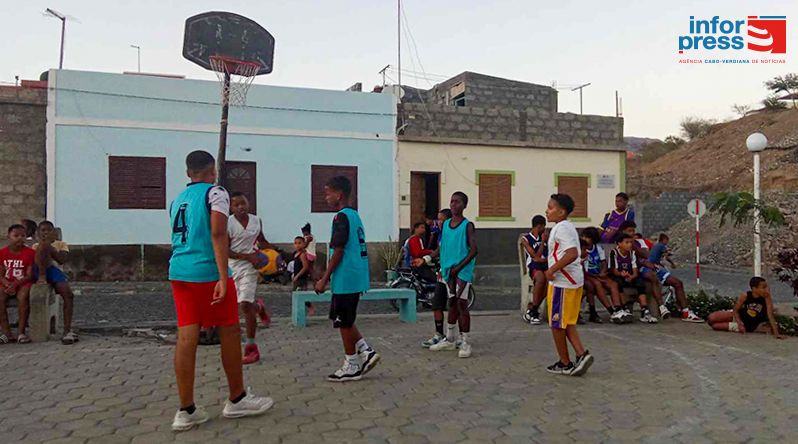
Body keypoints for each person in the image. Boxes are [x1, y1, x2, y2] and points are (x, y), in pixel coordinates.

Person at [168, 150, 273, 431]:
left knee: (186, 336)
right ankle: (237, 398)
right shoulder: (216, 193)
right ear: (212, 171)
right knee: (228, 329)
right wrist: (223, 277)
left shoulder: (177, 199)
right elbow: (217, 233)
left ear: (188, 172)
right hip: (207, 271)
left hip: (179, 270)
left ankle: (185, 409)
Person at [314, 176, 380, 381]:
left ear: (339, 194)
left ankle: (351, 364)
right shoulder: (355, 216)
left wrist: (324, 278)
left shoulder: (340, 217)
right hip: (356, 274)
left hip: (346, 276)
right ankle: (366, 351)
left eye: (328, 193)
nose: (326, 197)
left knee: (343, 321)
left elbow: (339, 250)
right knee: (344, 319)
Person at [416, 192, 478, 358]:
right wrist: (427, 258)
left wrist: (459, 267)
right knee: (451, 303)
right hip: (447, 270)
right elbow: (442, 247)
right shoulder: (446, 225)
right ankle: (450, 338)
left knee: (462, 304)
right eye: (451, 201)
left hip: (461, 271)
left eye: (457, 202)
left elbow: (473, 250)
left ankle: (465, 341)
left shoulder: (467, 225)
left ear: (464, 205)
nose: (453, 204)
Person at [542, 194, 593, 376]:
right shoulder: (566, 227)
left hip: (563, 283)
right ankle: (581, 354)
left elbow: (571, 253)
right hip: (572, 281)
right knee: (567, 322)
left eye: (550, 207)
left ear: (561, 211)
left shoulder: (562, 228)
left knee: (556, 324)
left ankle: (565, 362)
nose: (547, 211)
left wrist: (551, 270)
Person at [227, 192, 274, 365]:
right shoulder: (227, 223)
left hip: (251, 268)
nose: (241, 207)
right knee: (242, 304)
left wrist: (276, 253)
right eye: (236, 205)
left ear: (248, 204)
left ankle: (251, 347)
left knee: (245, 305)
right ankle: (259, 307)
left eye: (243, 203)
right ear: (231, 208)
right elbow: (225, 250)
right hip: (233, 267)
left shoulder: (256, 220)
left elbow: (261, 240)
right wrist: (248, 257)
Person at [33, 220, 78, 344]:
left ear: (54, 232)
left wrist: (49, 246)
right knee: (42, 246)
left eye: (49, 230)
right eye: (43, 230)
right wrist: (44, 246)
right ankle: (42, 276)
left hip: (54, 270)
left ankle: (67, 330)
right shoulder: (36, 246)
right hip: (39, 270)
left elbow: (62, 260)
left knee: (68, 295)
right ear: (38, 233)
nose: (46, 233)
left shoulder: (61, 244)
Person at [648, 233, 703, 322]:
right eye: (667, 240)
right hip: (655, 269)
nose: (667, 242)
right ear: (664, 239)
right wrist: (672, 263)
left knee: (675, 284)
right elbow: (666, 257)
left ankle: (680, 308)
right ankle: (685, 312)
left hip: (654, 267)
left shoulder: (655, 246)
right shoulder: (662, 246)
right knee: (678, 283)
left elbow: (654, 258)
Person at [420, 208, 454, 348]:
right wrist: (426, 258)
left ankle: (453, 337)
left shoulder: (454, 232)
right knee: (436, 304)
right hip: (442, 272)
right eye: (438, 219)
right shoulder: (441, 233)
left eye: (441, 219)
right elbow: (440, 249)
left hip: (454, 273)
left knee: (455, 306)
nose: (438, 222)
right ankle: (439, 334)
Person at [707, 277, 783, 339]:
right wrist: (739, 321)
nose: (766, 290)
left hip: (747, 326)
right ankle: (730, 321)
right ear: (754, 288)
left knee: (715, 326)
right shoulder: (745, 296)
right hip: (739, 317)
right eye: (763, 288)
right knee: (711, 318)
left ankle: (731, 325)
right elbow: (735, 310)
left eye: (766, 287)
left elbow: (770, 315)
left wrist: (776, 333)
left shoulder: (766, 297)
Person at [608, 233, 657, 324]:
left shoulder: (632, 253)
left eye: (631, 242)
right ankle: (624, 307)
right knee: (618, 283)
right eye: (626, 242)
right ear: (619, 244)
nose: (629, 244)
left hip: (630, 275)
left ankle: (644, 310)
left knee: (640, 283)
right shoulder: (614, 253)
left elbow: (635, 269)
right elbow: (614, 270)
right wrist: (621, 274)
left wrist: (632, 276)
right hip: (619, 275)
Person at [0, 224, 35, 344]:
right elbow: (1, 274)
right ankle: (6, 332)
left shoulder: (30, 253)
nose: (20, 238)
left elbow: (29, 275)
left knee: (23, 297)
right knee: (0, 298)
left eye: (23, 235)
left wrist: (15, 285)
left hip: (23, 282)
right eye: (16, 235)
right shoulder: (2, 253)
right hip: (7, 282)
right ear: (9, 237)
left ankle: (21, 332)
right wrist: (7, 284)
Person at [579, 227, 617, 323]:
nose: (584, 239)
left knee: (612, 284)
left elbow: (603, 263)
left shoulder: (598, 248)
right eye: (583, 236)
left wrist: (603, 272)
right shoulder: (581, 249)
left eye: (587, 237)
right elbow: (582, 268)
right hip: (586, 276)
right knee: (596, 284)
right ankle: (610, 311)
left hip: (596, 275)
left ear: (593, 239)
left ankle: (619, 308)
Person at [521, 215, 548, 325]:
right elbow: (535, 255)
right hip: (534, 266)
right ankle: (534, 312)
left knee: (550, 282)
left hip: (546, 265)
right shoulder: (525, 239)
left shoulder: (547, 238)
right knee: (540, 278)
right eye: (544, 227)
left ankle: (533, 310)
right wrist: (542, 242)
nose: (545, 230)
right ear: (539, 226)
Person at [301, 223, 317, 316]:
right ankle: (316, 282)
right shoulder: (313, 236)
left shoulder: (308, 237)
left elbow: (304, 246)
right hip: (313, 254)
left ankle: (316, 283)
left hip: (309, 255)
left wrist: (302, 244)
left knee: (310, 271)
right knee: (311, 270)